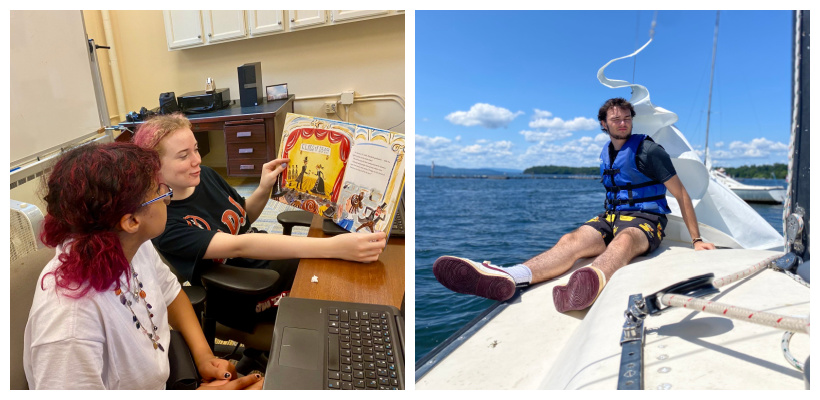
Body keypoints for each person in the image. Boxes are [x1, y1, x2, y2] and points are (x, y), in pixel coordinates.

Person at [133, 114, 386, 370]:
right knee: (337, 298)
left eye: (196, 149)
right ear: (153, 167)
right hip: (240, 291)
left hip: (263, 265)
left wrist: (264, 187)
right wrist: (336, 247)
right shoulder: (166, 223)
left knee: (346, 278)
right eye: (183, 155)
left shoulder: (205, 176)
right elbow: (240, 244)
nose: (197, 160)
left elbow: (242, 218)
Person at [433, 98, 715, 312]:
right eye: (615, 119)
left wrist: (697, 239)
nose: (622, 123)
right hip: (613, 216)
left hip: (646, 219)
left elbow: (681, 194)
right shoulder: (606, 153)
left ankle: (593, 279)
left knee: (625, 240)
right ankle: (513, 277)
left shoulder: (648, 151)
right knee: (572, 240)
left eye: (626, 118)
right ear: (604, 124)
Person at [23, 142, 262, 389]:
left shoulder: (127, 244)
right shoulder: (70, 323)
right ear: (131, 220)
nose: (167, 194)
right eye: (159, 190)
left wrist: (204, 357)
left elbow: (171, 293)